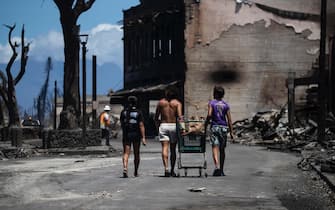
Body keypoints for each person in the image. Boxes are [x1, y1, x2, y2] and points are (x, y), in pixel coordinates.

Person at [205, 86, 234, 176]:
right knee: (222, 149)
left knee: (215, 147)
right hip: (224, 127)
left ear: (216, 93)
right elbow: (229, 119)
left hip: (215, 127)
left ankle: (217, 167)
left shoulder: (212, 103)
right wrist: (232, 132)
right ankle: (221, 170)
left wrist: (206, 124)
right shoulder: (226, 105)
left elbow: (209, 115)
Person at [155, 86, 183, 177]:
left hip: (163, 126)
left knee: (164, 148)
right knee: (173, 149)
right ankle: (172, 170)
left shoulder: (161, 103)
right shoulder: (177, 103)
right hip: (173, 126)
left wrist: (157, 127)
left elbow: (156, 117)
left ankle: (166, 168)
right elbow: (180, 117)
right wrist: (182, 128)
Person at [120, 96, 146, 178]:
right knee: (136, 153)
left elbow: (122, 123)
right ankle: (135, 171)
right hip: (136, 134)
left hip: (127, 134)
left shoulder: (123, 112)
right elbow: (141, 125)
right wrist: (143, 137)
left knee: (126, 153)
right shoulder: (138, 112)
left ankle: (125, 168)